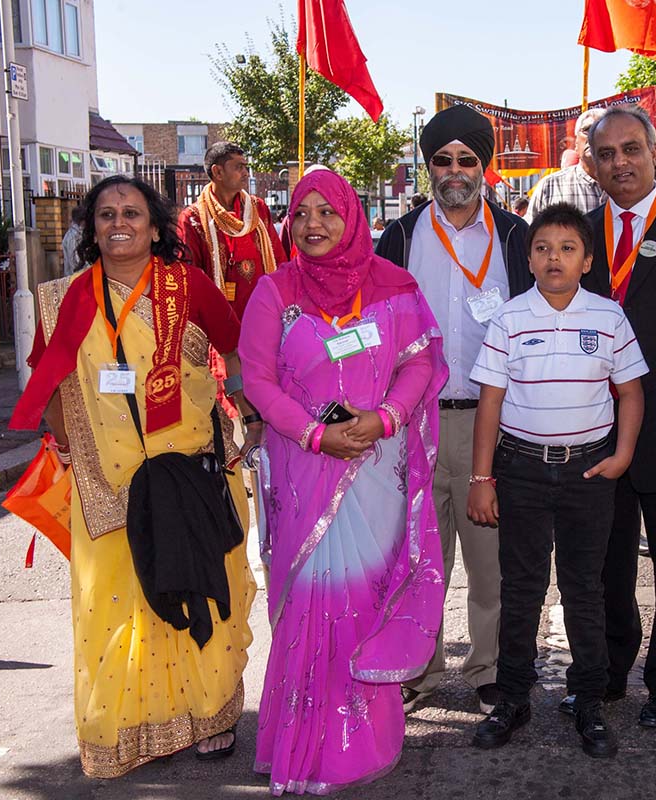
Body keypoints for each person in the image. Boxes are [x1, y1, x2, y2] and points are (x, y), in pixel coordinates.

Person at [9, 175, 258, 777]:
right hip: (107, 479)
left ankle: (210, 716)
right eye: (106, 214)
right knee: (117, 606)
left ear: (154, 225)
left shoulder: (187, 285)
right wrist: (67, 444)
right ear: (91, 228)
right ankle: (129, 730)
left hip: (191, 469)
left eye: (132, 213)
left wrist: (250, 418)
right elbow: (47, 379)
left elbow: (236, 349)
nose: (119, 223)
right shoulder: (63, 299)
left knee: (201, 588)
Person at [241, 169, 447, 794]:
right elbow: (258, 381)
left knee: (365, 600)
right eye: (301, 212)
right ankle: (302, 746)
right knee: (308, 603)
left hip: (375, 467)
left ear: (351, 217)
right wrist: (313, 434)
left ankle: (362, 740)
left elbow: (420, 362)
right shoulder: (275, 291)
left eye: (327, 211)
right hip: (303, 471)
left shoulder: (394, 286)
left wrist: (385, 418)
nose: (313, 224)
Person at [467, 203, 648, 758]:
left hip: (589, 472)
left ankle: (589, 699)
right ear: (529, 259)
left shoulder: (609, 317)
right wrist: (482, 477)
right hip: (520, 470)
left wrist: (622, 456)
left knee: (584, 589)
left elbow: (631, 393)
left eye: (568, 249)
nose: (555, 258)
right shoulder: (509, 318)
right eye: (543, 249)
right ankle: (512, 698)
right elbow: (490, 402)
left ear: (587, 260)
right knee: (520, 588)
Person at [376, 104, 533, 715]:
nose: (455, 171)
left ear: (484, 167)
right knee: (419, 556)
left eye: (467, 159)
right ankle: (420, 667)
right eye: (442, 160)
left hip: (491, 421)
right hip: (413, 422)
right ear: (429, 167)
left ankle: (487, 667)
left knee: (490, 559)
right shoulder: (401, 237)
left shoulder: (516, 237)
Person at [575, 105, 656, 728]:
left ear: (655, 152)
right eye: (606, 154)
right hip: (592, 426)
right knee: (602, 561)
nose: (620, 163)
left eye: (631, 149)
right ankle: (604, 672)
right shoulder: (575, 233)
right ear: (592, 164)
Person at [178, 141, 286, 320]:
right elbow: (189, 276)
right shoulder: (193, 218)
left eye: (246, 167)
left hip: (263, 311)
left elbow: (278, 257)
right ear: (218, 172)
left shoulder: (257, 209)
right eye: (239, 167)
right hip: (219, 317)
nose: (246, 173)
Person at [526, 108, 608, 220]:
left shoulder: (626, 183)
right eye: (587, 130)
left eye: (601, 130)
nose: (593, 136)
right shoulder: (551, 186)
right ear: (576, 143)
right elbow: (529, 229)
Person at [60, 204, 86, 276]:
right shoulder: (73, 237)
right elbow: (74, 261)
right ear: (82, 221)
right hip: (76, 277)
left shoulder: (79, 234)